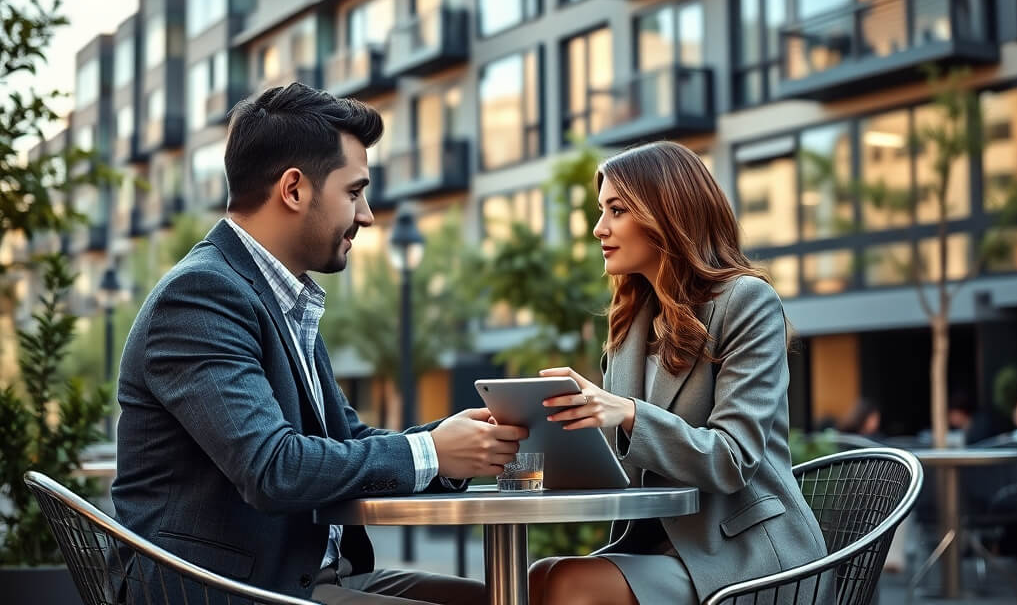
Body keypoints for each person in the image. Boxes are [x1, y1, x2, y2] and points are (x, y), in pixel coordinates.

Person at [112, 83, 527, 605]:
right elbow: (273, 469)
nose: (368, 215)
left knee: (500, 598)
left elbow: (342, 439)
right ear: (294, 189)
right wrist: (430, 453)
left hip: (312, 580)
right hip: (229, 590)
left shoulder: (279, 296)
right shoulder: (201, 297)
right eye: (354, 192)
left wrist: (450, 442)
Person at [527, 141, 830, 605]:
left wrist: (627, 413)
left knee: (570, 584)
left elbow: (733, 459)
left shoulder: (746, 303)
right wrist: (548, 434)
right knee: (540, 575)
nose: (598, 228)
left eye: (617, 210)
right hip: (661, 546)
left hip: (748, 557)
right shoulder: (630, 323)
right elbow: (625, 467)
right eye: (600, 210)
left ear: (666, 213)